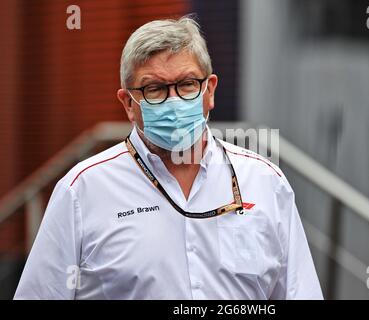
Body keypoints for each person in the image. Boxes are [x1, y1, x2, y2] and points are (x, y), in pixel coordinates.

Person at [14, 16, 323, 300]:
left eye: (188, 84)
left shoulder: (265, 182)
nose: (174, 101)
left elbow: (300, 292)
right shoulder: (82, 191)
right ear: (129, 104)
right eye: (154, 89)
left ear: (210, 90)